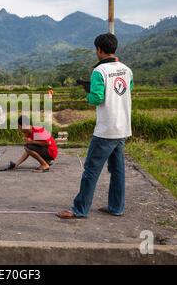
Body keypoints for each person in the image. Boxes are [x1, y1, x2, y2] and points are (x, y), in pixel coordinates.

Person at [57, 33, 133, 219]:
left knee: (91, 170)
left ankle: (79, 209)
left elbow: (97, 98)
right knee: (117, 170)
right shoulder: (127, 70)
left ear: (99, 49)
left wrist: (88, 95)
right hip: (122, 128)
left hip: (106, 129)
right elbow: (125, 91)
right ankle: (116, 207)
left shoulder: (99, 72)